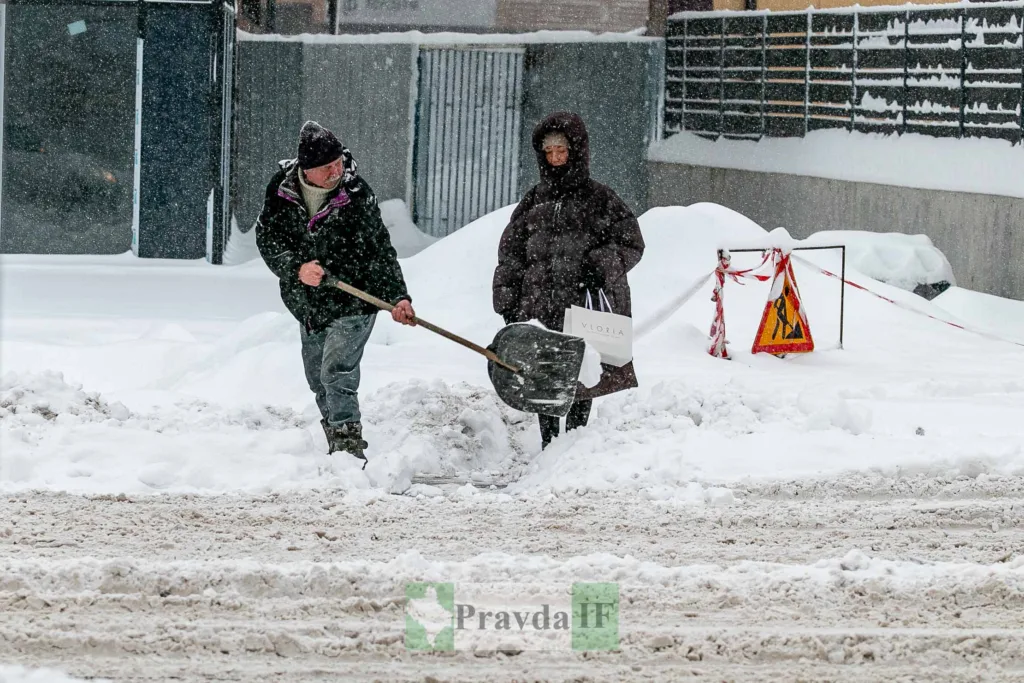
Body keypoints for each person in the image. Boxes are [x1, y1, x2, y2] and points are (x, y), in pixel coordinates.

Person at [255, 121, 416, 467]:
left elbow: (379, 250)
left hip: (355, 297)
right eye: (327, 167)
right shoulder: (281, 190)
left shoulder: (356, 194)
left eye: (339, 162)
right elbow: (268, 239)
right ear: (306, 170)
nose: (336, 171)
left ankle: (348, 446)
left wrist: (399, 297)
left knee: (337, 372)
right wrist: (297, 268)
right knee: (317, 377)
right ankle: (334, 437)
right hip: (309, 303)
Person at [492, 111, 645, 449]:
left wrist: (599, 265)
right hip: (540, 306)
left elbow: (632, 243)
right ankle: (550, 446)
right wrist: (508, 302)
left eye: (562, 151)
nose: (556, 158)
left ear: (576, 151)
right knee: (544, 375)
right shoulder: (534, 200)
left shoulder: (600, 199)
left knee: (581, 375)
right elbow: (511, 254)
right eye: (549, 152)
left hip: (581, 305)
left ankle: (573, 445)